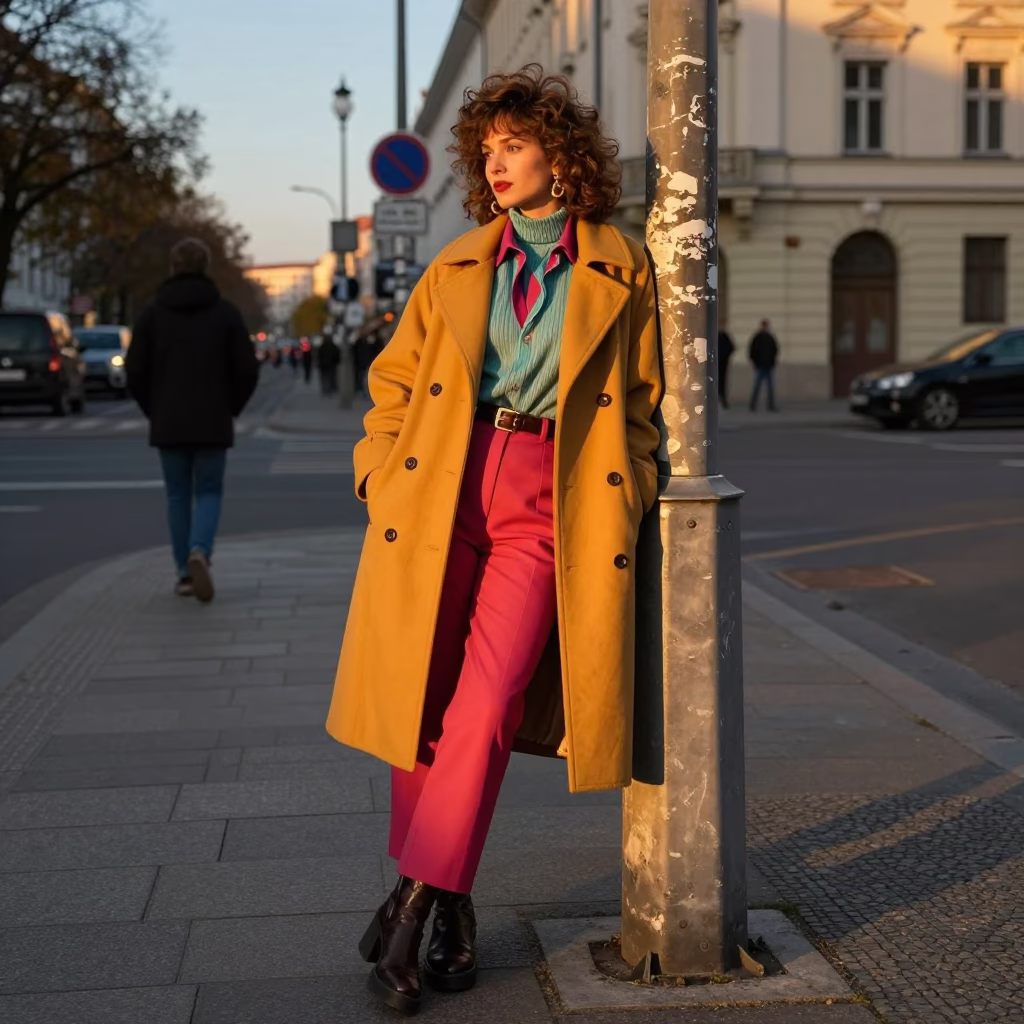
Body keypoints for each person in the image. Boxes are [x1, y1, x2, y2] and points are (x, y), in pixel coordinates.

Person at [325, 65, 663, 1015]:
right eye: (488, 150)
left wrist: (627, 487)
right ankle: (454, 905)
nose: (496, 163)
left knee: (486, 708)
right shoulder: (459, 265)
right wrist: (376, 472)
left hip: (546, 501)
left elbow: (642, 409)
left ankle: (407, 906)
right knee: (421, 707)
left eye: (514, 145)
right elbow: (391, 386)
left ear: (563, 156)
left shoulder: (619, 264)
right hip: (441, 491)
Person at [126, 237, 259, 602]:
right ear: (206, 267)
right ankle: (201, 548)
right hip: (213, 420)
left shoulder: (152, 314)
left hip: (169, 421)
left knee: (177, 496)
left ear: (172, 267)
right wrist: (231, 406)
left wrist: (154, 408)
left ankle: (185, 572)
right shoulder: (226, 313)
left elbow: (134, 371)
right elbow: (247, 369)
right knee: (210, 490)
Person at [748, 319, 779, 412]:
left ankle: (771, 405)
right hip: (760, 366)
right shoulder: (757, 338)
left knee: (770, 387)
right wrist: (755, 363)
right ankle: (753, 405)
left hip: (768, 366)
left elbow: (775, 350)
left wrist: (772, 362)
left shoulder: (770, 337)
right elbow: (752, 351)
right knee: (757, 386)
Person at [717, 327, 734, 408]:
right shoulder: (714, 336)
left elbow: (731, 348)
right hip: (717, 364)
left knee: (722, 383)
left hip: (723, 364)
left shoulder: (724, 336)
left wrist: (725, 357)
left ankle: (723, 401)